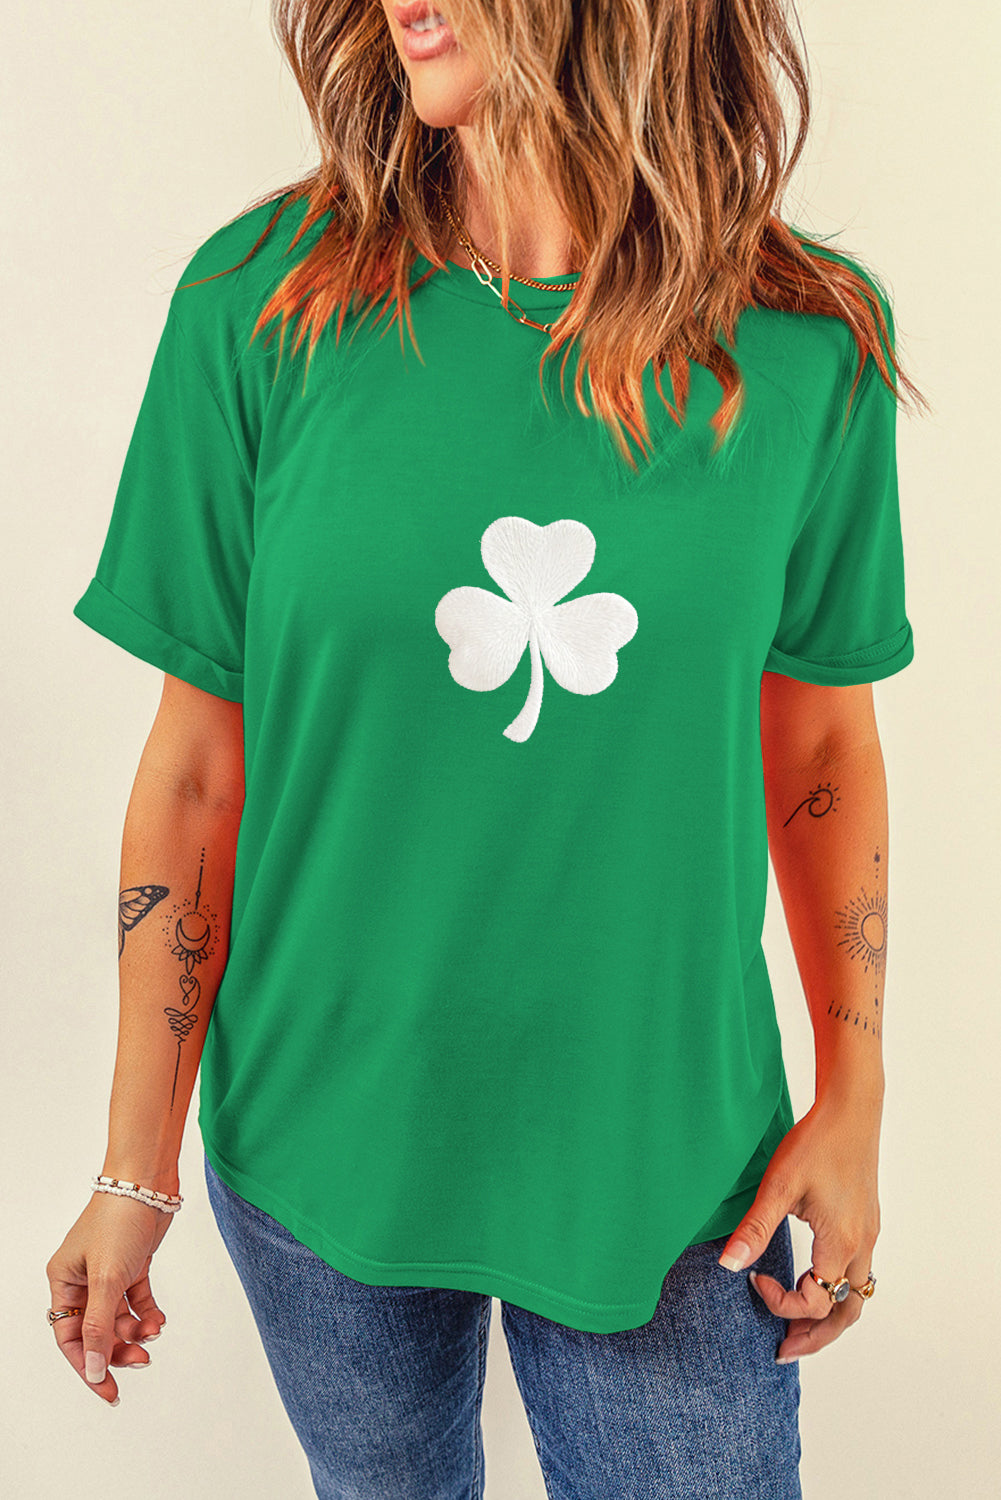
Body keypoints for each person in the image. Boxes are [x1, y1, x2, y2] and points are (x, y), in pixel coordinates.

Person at [47, 1, 924, 1495]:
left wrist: (856, 1095)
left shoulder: (806, 340)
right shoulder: (262, 304)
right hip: (323, 1141)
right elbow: (197, 770)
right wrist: (136, 1166)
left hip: (661, 1158)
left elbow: (823, 741)